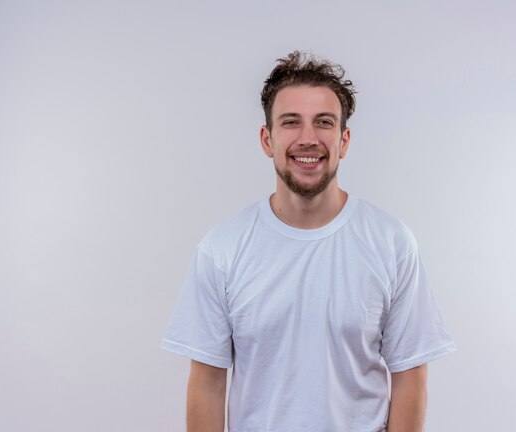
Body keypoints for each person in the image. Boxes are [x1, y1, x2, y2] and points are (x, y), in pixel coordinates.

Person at [161, 51, 456, 432]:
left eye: (323, 122)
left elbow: (410, 374)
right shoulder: (222, 249)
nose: (308, 138)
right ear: (267, 139)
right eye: (291, 122)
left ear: (343, 140)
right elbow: (207, 383)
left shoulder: (392, 242)